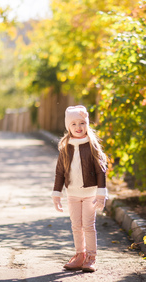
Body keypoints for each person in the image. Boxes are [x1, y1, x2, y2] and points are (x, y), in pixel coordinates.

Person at [51, 105, 108, 272]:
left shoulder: (91, 146)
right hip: (73, 194)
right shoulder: (65, 147)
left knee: (88, 226)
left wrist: (101, 194)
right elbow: (59, 172)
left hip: (90, 193)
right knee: (76, 225)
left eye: (82, 123)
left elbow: (100, 170)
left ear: (87, 124)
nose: (78, 127)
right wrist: (56, 194)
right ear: (68, 126)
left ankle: (91, 257)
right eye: (74, 124)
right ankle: (80, 255)